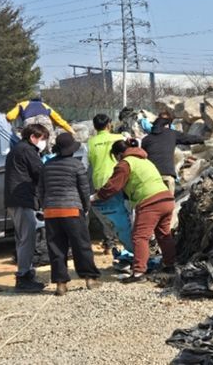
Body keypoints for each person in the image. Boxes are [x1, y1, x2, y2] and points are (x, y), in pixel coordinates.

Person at [92, 140, 176, 283]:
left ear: (119, 154)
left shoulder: (125, 164)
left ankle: (138, 272)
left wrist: (96, 196)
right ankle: (170, 265)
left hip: (150, 201)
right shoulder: (145, 160)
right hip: (166, 198)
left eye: (116, 157)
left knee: (139, 237)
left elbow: (113, 186)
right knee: (163, 234)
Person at [39, 133, 101, 296]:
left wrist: (45, 206)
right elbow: (84, 189)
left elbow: (41, 190)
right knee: (81, 245)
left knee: (56, 247)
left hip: (51, 212)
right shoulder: (76, 165)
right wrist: (85, 207)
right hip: (72, 210)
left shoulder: (47, 166)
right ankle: (89, 278)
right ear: (72, 150)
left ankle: (60, 284)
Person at [4, 123, 49, 292]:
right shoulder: (27, 151)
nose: (44, 142)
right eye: (43, 138)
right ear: (33, 137)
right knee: (27, 239)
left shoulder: (18, 149)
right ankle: (23, 277)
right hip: (22, 200)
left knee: (22, 238)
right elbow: (40, 173)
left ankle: (27, 272)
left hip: (15, 200)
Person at [87, 113, 132, 251]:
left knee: (107, 214)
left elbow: (88, 162)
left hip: (99, 181)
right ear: (109, 125)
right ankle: (129, 246)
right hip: (117, 180)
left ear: (95, 127)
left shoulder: (91, 142)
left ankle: (110, 242)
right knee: (122, 214)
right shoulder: (119, 138)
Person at [140, 115, 204, 195]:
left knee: (154, 200)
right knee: (168, 201)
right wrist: (204, 139)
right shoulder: (171, 133)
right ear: (166, 125)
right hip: (167, 174)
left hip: (151, 177)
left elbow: (142, 158)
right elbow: (188, 138)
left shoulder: (145, 140)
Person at [6, 92, 75, 149]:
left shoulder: (22, 104)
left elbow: (9, 117)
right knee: (50, 144)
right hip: (45, 120)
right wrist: (71, 131)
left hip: (30, 122)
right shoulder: (45, 105)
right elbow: (59, 121)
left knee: (31, 145)